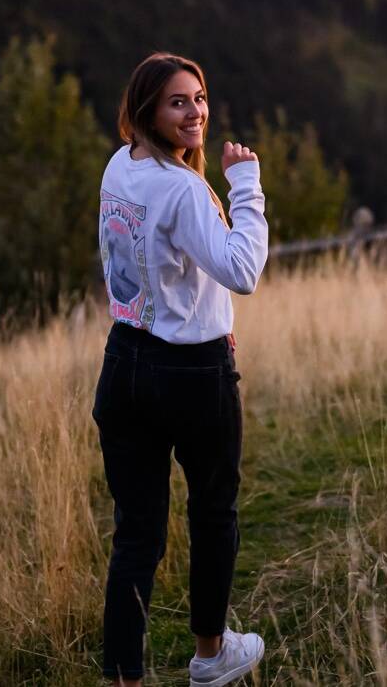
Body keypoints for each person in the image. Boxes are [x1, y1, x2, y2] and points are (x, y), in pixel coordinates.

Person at [92, 52, 270, 686]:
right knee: (213, 511)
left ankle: (124, 679)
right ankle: (211, 656)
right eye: (177, 101)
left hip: (125, 362)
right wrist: (244, 184)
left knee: (135, 535)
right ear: (147, 109)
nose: (194, 111)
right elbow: (242, 271)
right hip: (192, 372)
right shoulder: (184, 188)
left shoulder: (122, 166)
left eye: (198, 98)